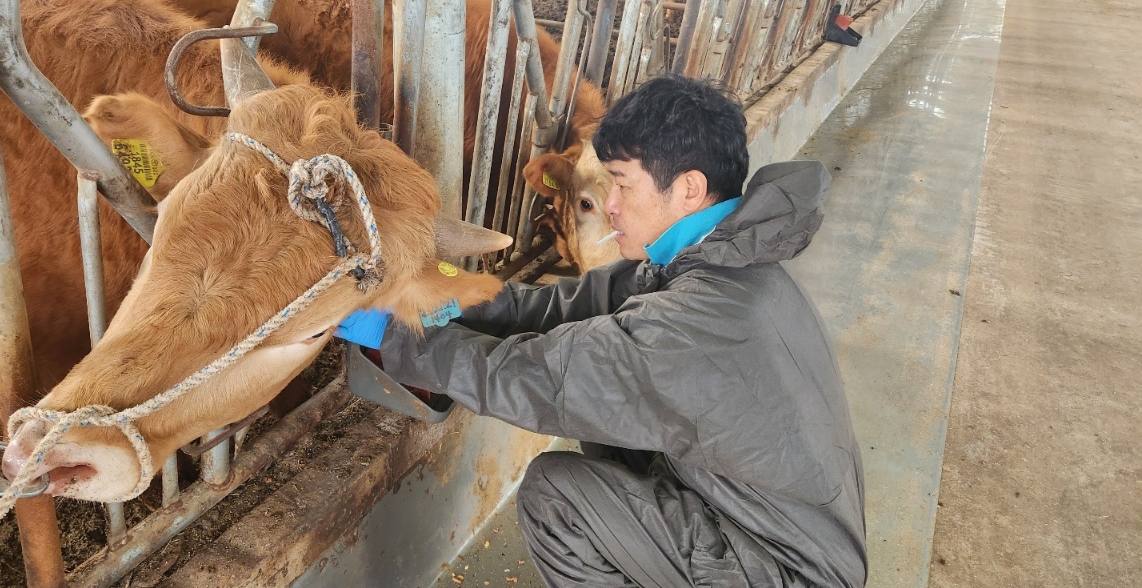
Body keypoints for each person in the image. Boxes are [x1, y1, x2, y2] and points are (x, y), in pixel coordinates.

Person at [337, 75, 867, 588]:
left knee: (556, 499)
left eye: (620, 182)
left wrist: (392, 336)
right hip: (771, 522)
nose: (610, 204)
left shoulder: (697, 319)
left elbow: (541, 378)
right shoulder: (719, 260)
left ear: (688, 189)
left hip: (789, 568)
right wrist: (453, 295)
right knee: (605, 420)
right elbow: (565, 307)